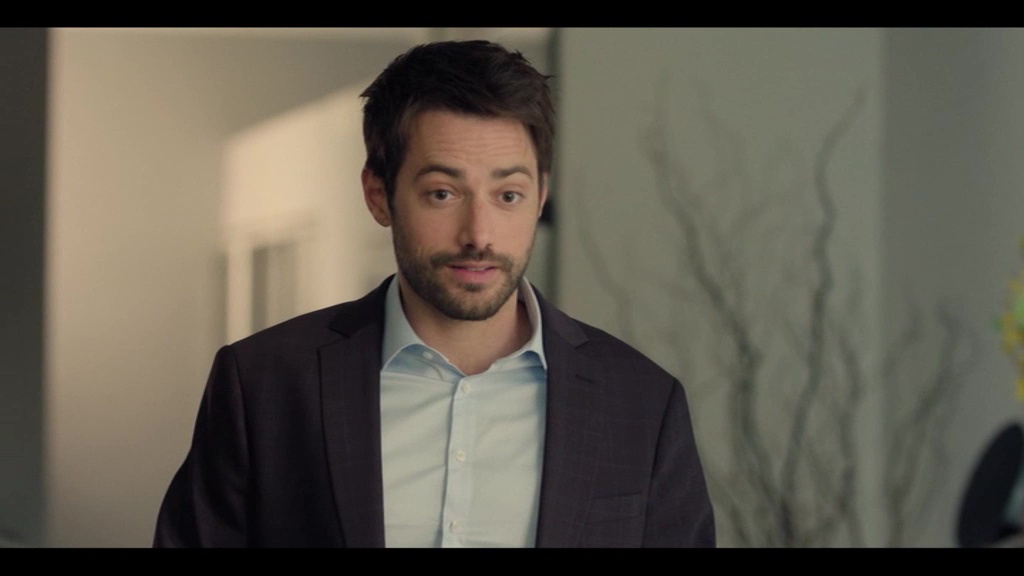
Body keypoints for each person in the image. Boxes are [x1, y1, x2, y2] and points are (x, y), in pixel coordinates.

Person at [154, 39, 715, 548]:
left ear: (541, 196)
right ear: (379, 195)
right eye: (443, 193)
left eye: (508, 195)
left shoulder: (642, 403)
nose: (479, 234)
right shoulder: (264, 384)